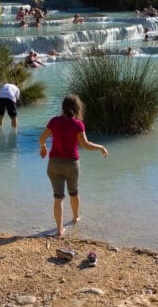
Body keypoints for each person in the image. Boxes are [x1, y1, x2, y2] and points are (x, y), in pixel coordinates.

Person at [38, 94, 108, 237]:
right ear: (77, 109)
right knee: (74, 193)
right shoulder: (77, 124)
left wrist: (43, 147)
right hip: (71, 164)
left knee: (58, 198)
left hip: (54, 164)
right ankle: (75, 217)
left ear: (63, 107)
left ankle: (59, 229)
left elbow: (41, 139)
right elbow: (85, 145)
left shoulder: (53, 121)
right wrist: (100, 147)